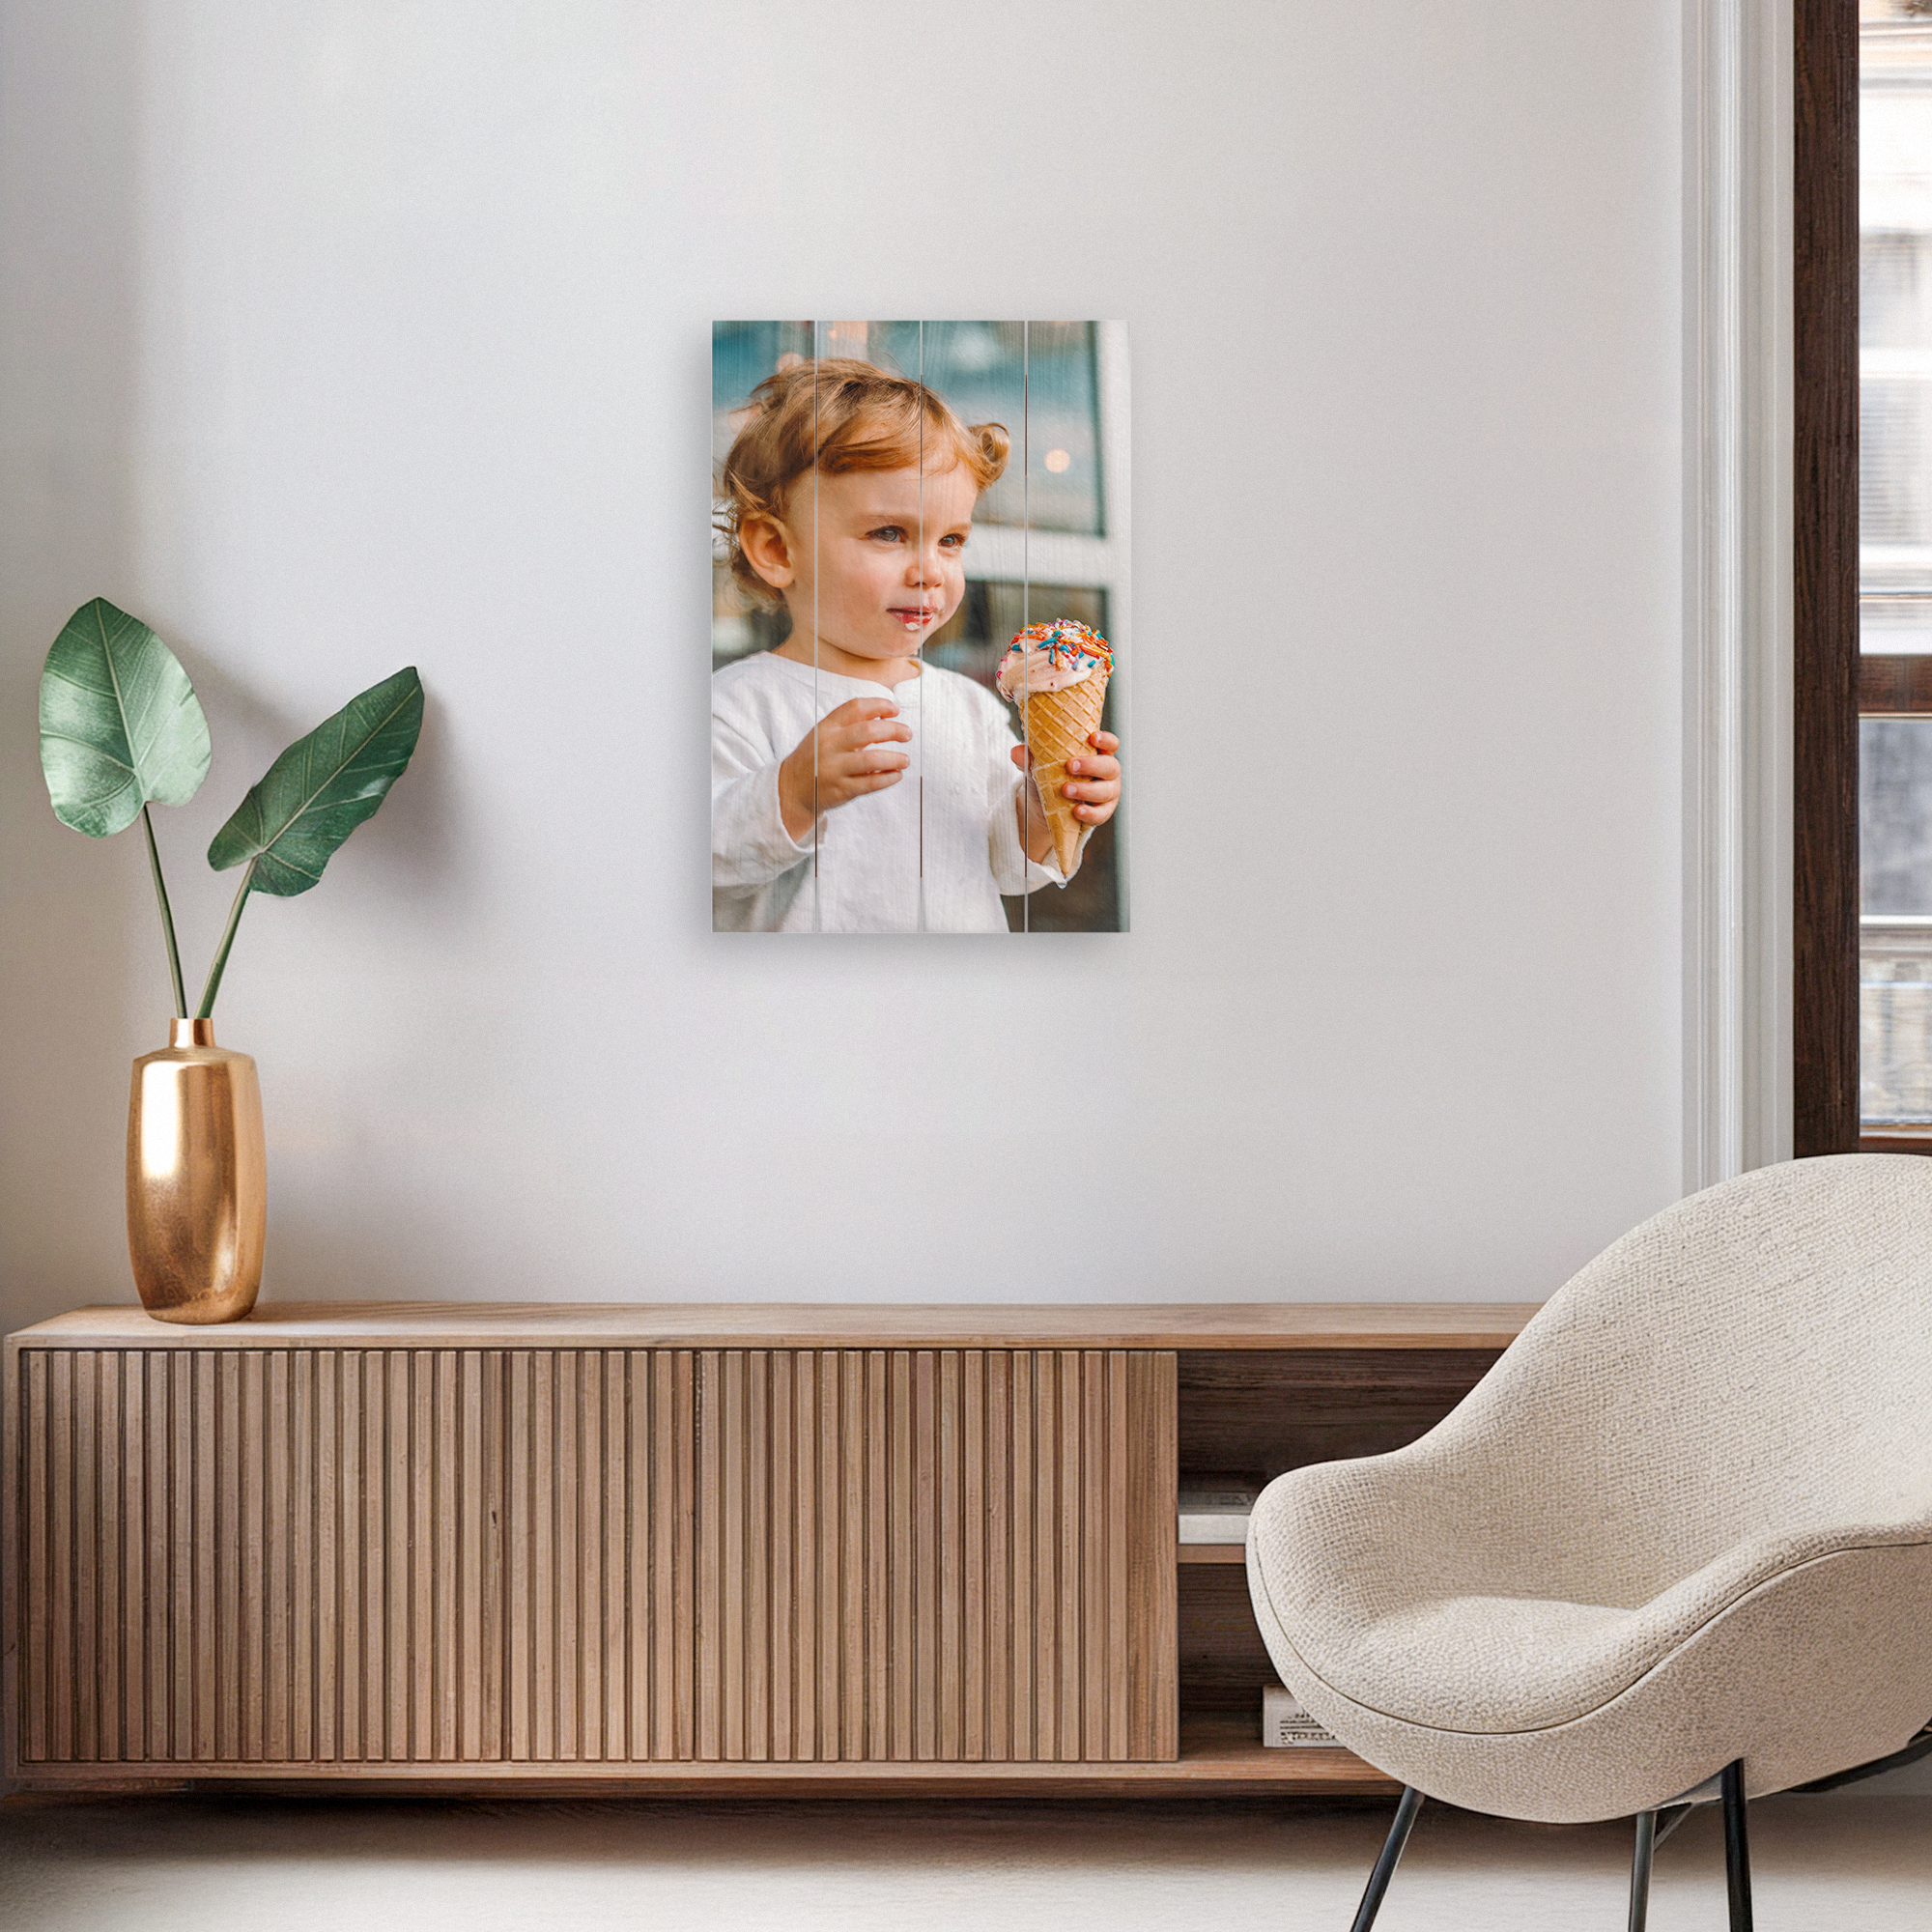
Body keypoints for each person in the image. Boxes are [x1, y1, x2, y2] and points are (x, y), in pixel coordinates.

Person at [711, 358, 1122, 932]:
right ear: (778, 551)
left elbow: (1007, 864)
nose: (930, 571)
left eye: (951, 540)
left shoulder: (972, 707)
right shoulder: (736, 705)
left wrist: (1046, 802)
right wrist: (791, 793)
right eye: (889, 533)